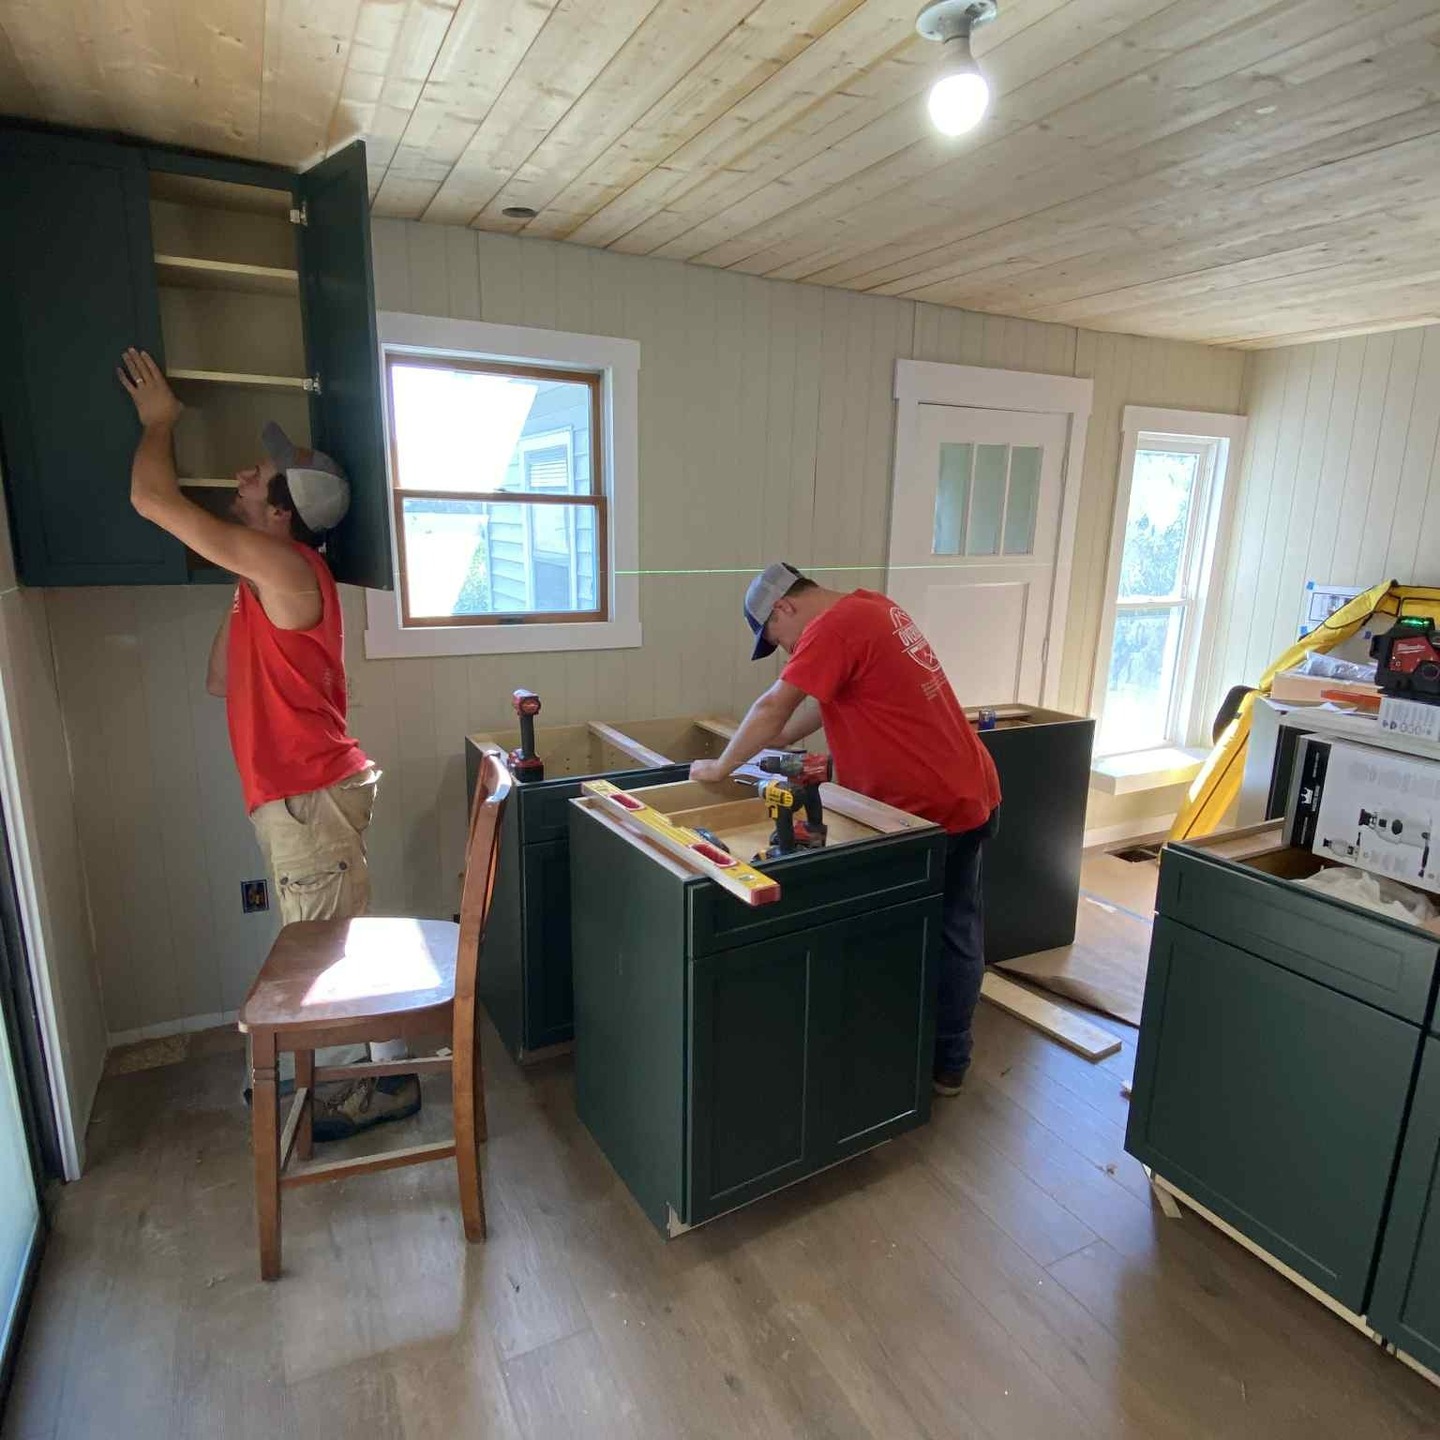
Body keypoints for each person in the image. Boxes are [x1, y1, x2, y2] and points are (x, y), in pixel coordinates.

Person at [116, 348, 416, 1140]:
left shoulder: (288, 568)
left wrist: (161, 423)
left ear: (284, 512)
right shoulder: (270, 578)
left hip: (309, 797)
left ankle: (353, 1098)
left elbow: (152, 498)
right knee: (316, 948)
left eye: (263, 476)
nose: (248, 472)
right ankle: (329, 1076)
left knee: (321, 958)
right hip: (302, 797)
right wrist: (236, 572)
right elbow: (224, 680)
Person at [690, 562, 1001, 1094]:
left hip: (931, 807)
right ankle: (932, 1051)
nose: (786, 651)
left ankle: (945, 1061)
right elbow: (824, 700)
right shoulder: (870, 607)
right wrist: (776, 740)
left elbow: (772, 704)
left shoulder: (832, 627)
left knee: (946, 934)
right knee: (950, 926)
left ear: (784, 607)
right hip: (963, 787)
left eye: (777, 640)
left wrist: (719, 768)